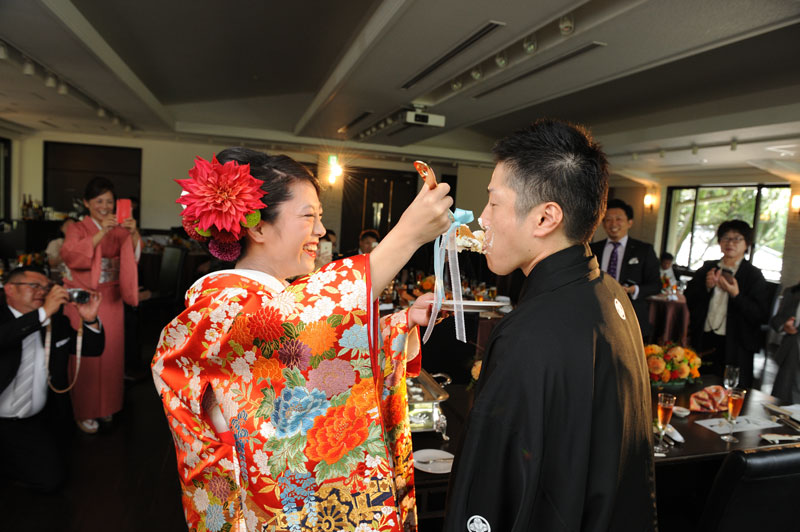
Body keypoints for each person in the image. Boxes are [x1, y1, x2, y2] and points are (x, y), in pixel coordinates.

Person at [152, 148, 452, 532]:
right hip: (255, 508)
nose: (321, 231)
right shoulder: (222, 308)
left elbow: (313, 357)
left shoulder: (262, 303)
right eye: (308, 216)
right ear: (257, 228)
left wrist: (400, 323)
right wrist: (408, 234)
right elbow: (292, 324)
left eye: (320, 217)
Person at [444, 120, 657, 532]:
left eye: (493, 203)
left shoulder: (528, 333)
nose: (483, 218)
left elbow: (491, 484)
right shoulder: (611, 292)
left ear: (545, 218)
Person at [0, 266, 103, 491]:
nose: (42, 292)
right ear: (9, 289)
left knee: (52, 479)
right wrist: (42, 314)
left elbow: (93, 349)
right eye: (34, 286)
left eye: (46, 288)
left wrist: (90, 320)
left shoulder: (57, 322)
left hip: (32, 421)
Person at [61, 177, 140, 433]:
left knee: (111, 353)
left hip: (111, 297)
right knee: (87, 354)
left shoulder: (119, 228)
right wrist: (102, 232)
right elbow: (71, 255)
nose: (105, 206)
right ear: (86, 203)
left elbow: (133, 256)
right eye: (99, 201)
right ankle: (84, 410)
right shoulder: (77, 228)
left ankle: (108, 405)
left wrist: (133, 232)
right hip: (84, 299)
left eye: (109, 201)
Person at [684, 220, 770, 388]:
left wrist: (736, 295)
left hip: (736, 344)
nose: (730, 243)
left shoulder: (753, 275)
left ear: (747, 244)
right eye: (725, 238)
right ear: (719, 242)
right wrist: (707, 287)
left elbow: (760, 314)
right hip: (705, 338)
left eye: (737, 239)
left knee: (731, 390)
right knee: (697, 386)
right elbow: (689, 299)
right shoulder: (708, 268)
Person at [590, 198, 660, 339]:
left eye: (619, 219)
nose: (613, 224)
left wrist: (634, 290)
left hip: (631, 316)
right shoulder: (593, 249)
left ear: (630, 222)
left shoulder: (644, 250)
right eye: (608, 219)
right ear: (603, 223)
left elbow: (656, 285)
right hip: (596, 316)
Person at [770, 282, 800, 402]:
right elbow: (776, 320)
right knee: (781, 401)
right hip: (791, 354)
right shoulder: (792, 292)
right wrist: (785, 326)